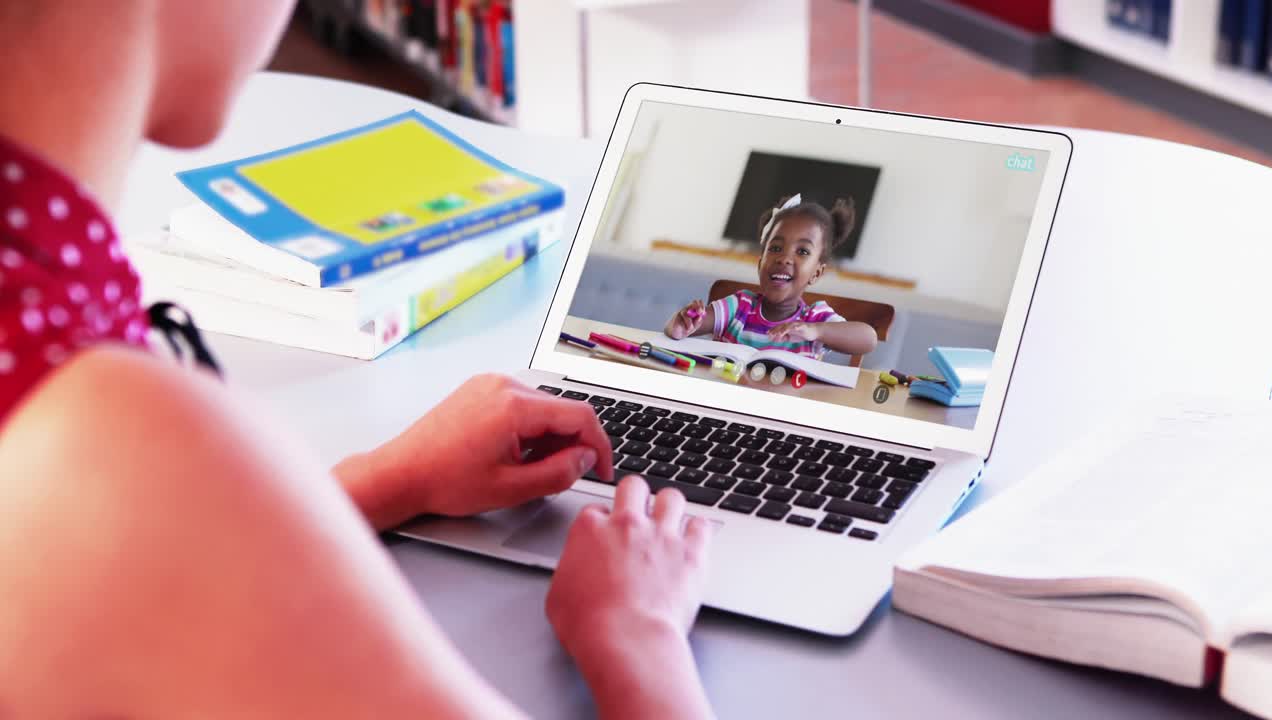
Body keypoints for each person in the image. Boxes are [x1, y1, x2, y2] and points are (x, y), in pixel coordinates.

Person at [0, 2, 715, 718]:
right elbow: (145, 529)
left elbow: (144, 582)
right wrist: (640, 637)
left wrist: (386, 480)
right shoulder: (122, 440)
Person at [664, 194, 879, 360]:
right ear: (760, 263)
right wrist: (680, 325)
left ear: (816, 273)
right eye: (775, 248)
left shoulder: (814, 319)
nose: (784, 258)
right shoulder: (738, 307)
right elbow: (684, 328)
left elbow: (868, 339)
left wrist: (816, 331)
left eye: (802, 251)